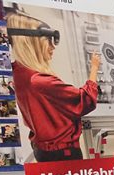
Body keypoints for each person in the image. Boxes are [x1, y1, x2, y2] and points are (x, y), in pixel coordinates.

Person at [7, 13, 100, 162]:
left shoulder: (17, 72)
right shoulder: (39, 81)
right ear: (33, 45)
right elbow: (86, 100)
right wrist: (94, 68)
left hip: (42, 151)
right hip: (61, 155)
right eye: (48, 43)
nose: (52, 48)